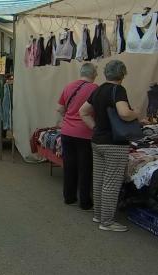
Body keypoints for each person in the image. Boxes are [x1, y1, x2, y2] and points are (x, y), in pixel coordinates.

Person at [80, 60, 139, 232]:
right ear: (122, 74)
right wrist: (135, 113)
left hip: (98, 141)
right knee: (111, 183)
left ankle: (98, 214)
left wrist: (96, 128)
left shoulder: (98, 90)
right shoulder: (118, 90)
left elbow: (83, 112)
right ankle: (107, 221)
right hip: (114, 143)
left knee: (99, 180)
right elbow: (124, 113)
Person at [57, 63, 98, 210]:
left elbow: (60, 108)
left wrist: (69, 117)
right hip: (85, 133)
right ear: (93, 74)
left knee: (69, 166)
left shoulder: (68, 86)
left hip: (67, 132)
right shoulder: (95, 88)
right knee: (85, 168)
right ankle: (85, 202)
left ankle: (69, 197)